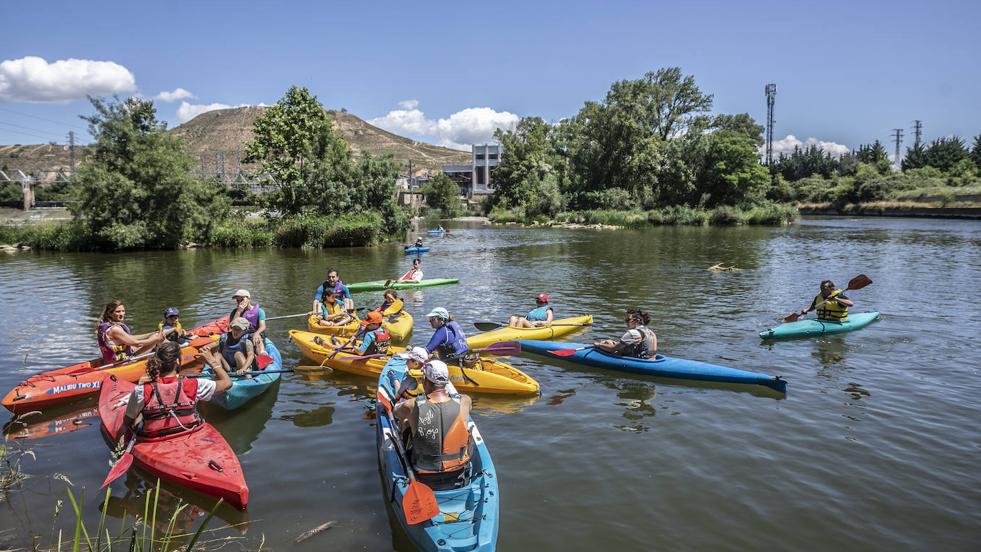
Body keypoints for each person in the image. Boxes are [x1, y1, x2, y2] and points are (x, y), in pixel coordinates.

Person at [121, 340, 231, 438]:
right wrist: (211, 360)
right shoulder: (194, 385)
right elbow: (227, 383)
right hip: (188, 430)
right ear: (178, 362)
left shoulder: (142, 390)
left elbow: (127, 421)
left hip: (153, 436)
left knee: (137, 414)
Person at [393, 359, 474, 489]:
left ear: (425, 382)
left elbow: (396, 413)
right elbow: (465, 408)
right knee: (465, 426)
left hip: (423, 473)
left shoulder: (412, 405)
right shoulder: (465, 401)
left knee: (407, 422)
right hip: (458, 471)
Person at [97, 300, 165, 363]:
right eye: (118, 312)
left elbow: (130, 337)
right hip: (120, 362)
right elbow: (137, 344)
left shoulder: (109, 325)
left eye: (123, 311)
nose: (121, 314)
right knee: (155, 340)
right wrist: (156, 339)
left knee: (154, 336)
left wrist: (150, 334)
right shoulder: (115, 329)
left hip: (114, 359)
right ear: (109, 313)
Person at [229, 289, 267, 355]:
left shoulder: (259, 311)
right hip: (239, 334)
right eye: (237, 301)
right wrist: (239, 311)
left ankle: (261, 353)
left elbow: (262, 326)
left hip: (254, 333)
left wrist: (257, 333)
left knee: (256, 338)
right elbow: (230, 327)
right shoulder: (235, 312)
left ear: (249, 299)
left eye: (242, 299)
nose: (240, 302)